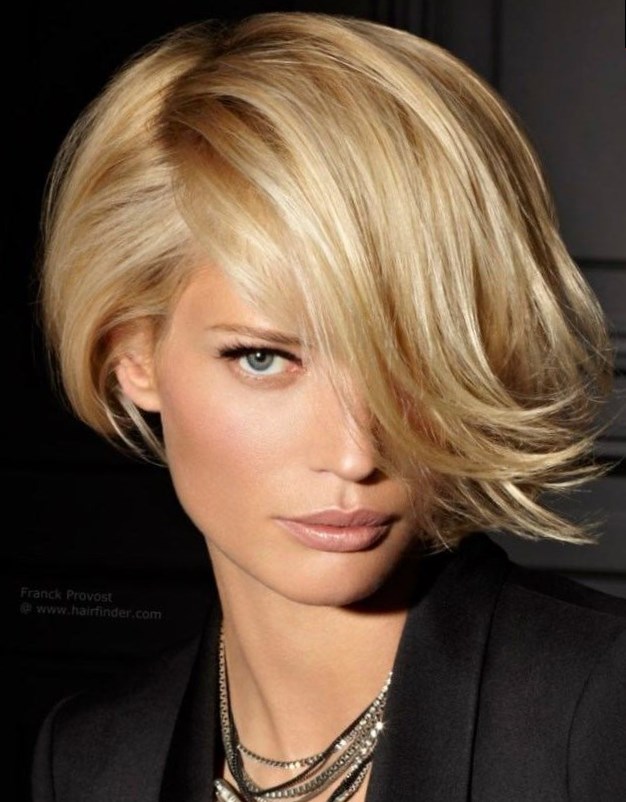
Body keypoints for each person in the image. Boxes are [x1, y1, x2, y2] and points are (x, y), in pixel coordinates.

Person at [30, 11, 625, 802]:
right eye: (265, 358)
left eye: (408, 359)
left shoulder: (602, 712)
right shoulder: (90, 762)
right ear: (132, 355)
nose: (355, 453)